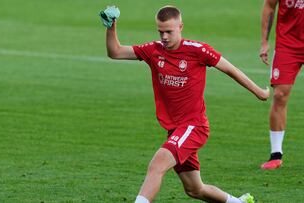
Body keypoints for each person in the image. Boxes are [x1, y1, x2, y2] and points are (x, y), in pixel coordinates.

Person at [102, 5, 270, 203]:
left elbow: (230, 69)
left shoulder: (198, 51)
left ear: (180, 26)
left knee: (157, 164)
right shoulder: (153, 51)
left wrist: (259, 92)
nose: (164, 37)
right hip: (175, 129)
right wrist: (111, 26)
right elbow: (115, 52)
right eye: (160, 31)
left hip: (194, 126)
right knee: (194, 189)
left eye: (169, 32)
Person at [259, 0, 304, 170]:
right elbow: (270, 6)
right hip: (288, 45)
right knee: (279, 95)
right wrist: (264, 41)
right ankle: (276, 154)